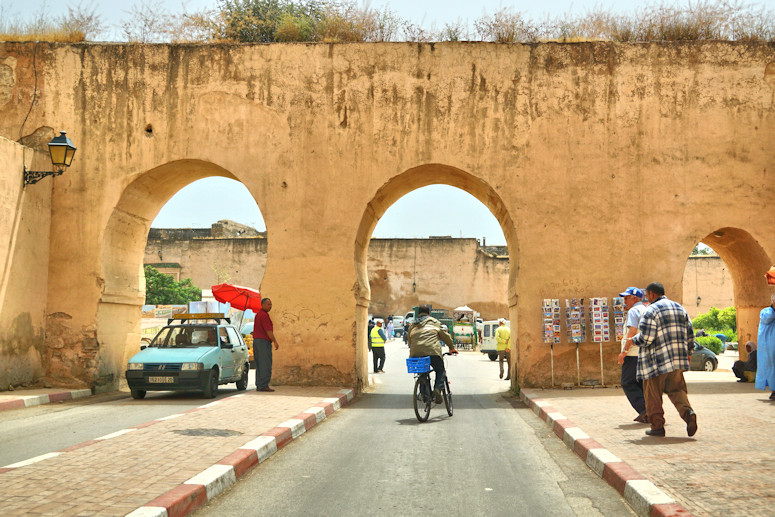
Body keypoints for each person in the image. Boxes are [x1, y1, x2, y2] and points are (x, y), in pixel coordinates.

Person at [626, 282, 697, 437]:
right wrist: (689, 351)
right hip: (677, 360)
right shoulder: (679, 308)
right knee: (677, 390)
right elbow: (690, 334)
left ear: (651, 294)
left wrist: (633, 340)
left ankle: (657, 426)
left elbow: (646, 338)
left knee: (652, 395)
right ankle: (688, 413)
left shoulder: (651, 310)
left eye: (647, 295)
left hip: (655, 362)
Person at [408, 305, 458, 403]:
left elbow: (410, 340)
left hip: (416, 352)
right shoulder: (435, 322)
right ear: (429, 313)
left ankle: (424, 394)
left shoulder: (412, 324)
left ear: (418, 313)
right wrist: (451, 348)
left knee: (422, 371)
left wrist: (414, 349)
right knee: (440, 370)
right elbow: (445, 336)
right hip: (432, 351)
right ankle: (437, 389)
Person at [617, 287, 648, 423]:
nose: (625, 301)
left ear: (634, 298)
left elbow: (632, 332)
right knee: (641, 384)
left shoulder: (634, 311)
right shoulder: (646, 309)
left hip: (633, 354)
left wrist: (624, 352)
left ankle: (645, 410)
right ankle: (651, 411)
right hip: (645, 353)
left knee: (627, 382)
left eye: (626, 298)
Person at [253, 297, 279, 392]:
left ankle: (259, 384)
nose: (270, 306)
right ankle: (264, 385)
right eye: (268, 304)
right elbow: (268, 331)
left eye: (271, 304)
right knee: (265, 363)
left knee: (259, 364)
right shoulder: (264, 316)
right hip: (263, 342)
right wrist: (275, 341)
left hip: (256, 341)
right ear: (262, 304)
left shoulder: (258, 315)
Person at [755, 292, 775, 400]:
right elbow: (767, 318)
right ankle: (774, 390)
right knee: (772, 368)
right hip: (770, 347)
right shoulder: (766, 312)